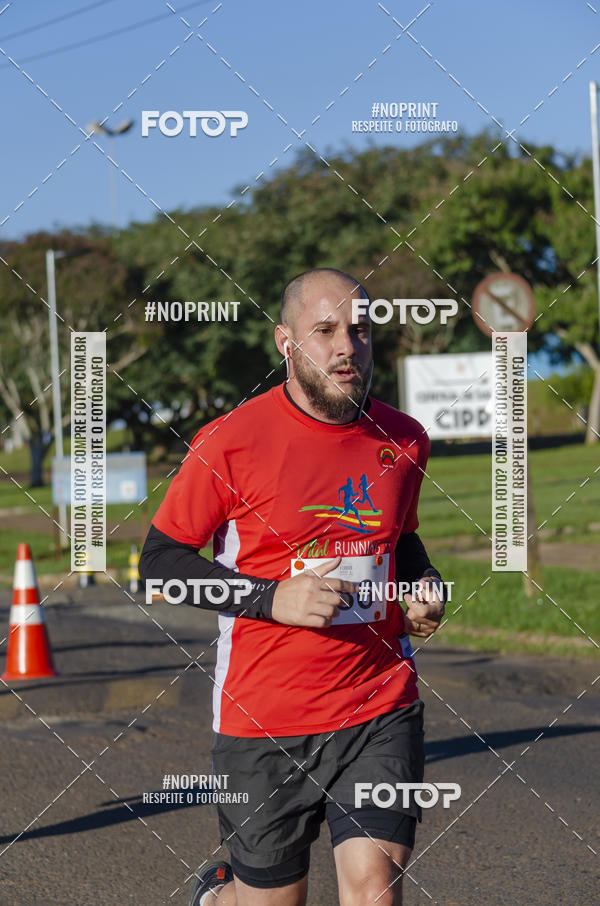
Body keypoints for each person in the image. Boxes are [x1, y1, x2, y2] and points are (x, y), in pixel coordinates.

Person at [139, 268, 446, 906]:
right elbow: (162, 564)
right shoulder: (229, 443)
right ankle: (219, 896)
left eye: (359, 331)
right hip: (264, 720)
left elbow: (402, 541)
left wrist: (422, 584)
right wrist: (270, 598)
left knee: (374, 888)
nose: (346, 347)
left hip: (378, 702)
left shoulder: (405, 439)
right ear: (286, 341)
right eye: (325, 330)